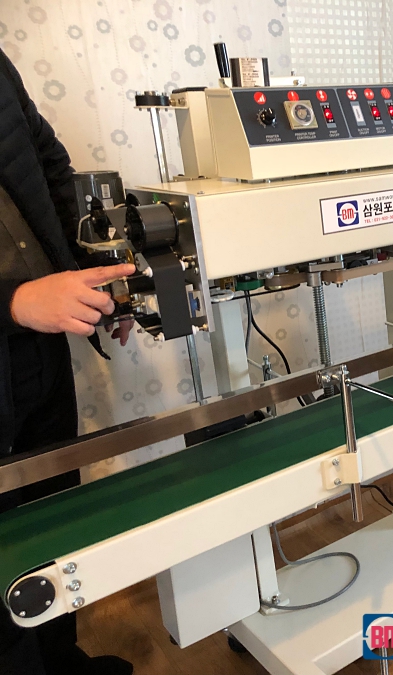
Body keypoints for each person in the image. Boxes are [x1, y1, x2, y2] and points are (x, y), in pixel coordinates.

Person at [0, 49, 134, 675]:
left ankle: (59, 660)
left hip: (40, 344)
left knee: (51, 511)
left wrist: (101, 280)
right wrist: (15, 302)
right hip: (16, 318)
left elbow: (51, 171)